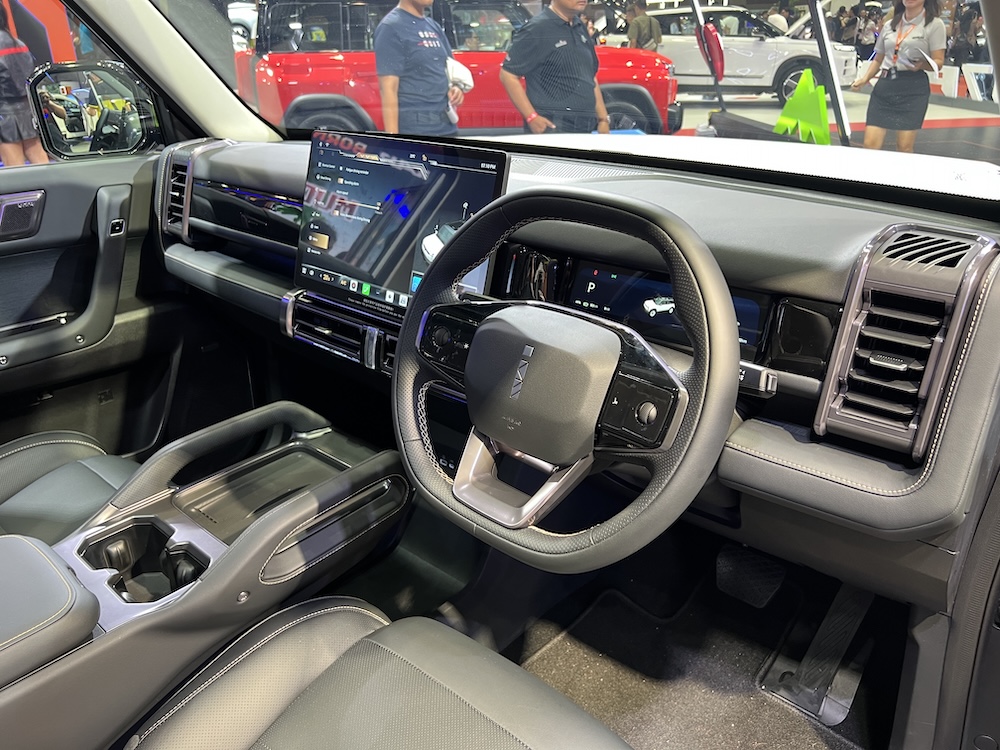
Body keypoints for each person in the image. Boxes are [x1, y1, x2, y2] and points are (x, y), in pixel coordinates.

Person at [499, 0, 611, 134]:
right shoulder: (537, 29)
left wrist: (603, 119)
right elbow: (508, 75)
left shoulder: (579, 26)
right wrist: (531, 117)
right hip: (553, 128)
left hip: (584, 128)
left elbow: (589, 76)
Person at [851, 0, 947, 152]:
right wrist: (864, 79)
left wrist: (922, 65)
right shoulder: (889, 25)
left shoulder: (934, 24)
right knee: (870, 145)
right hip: (886, 86)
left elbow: (939, 61)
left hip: (913, 88)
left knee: (904, 147)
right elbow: (878, 59)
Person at [373, 0, 464, 136]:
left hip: (447, 126)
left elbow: (448, 69)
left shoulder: (433, 26)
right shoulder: (390, 27)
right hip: (416, 129)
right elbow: (388, 90)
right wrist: (393, 141)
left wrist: (456, 88)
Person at [0, 4, 48, 167]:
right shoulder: (19, 43)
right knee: (41, 162)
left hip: (4, 116)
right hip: (28, 111)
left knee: (14, 168)